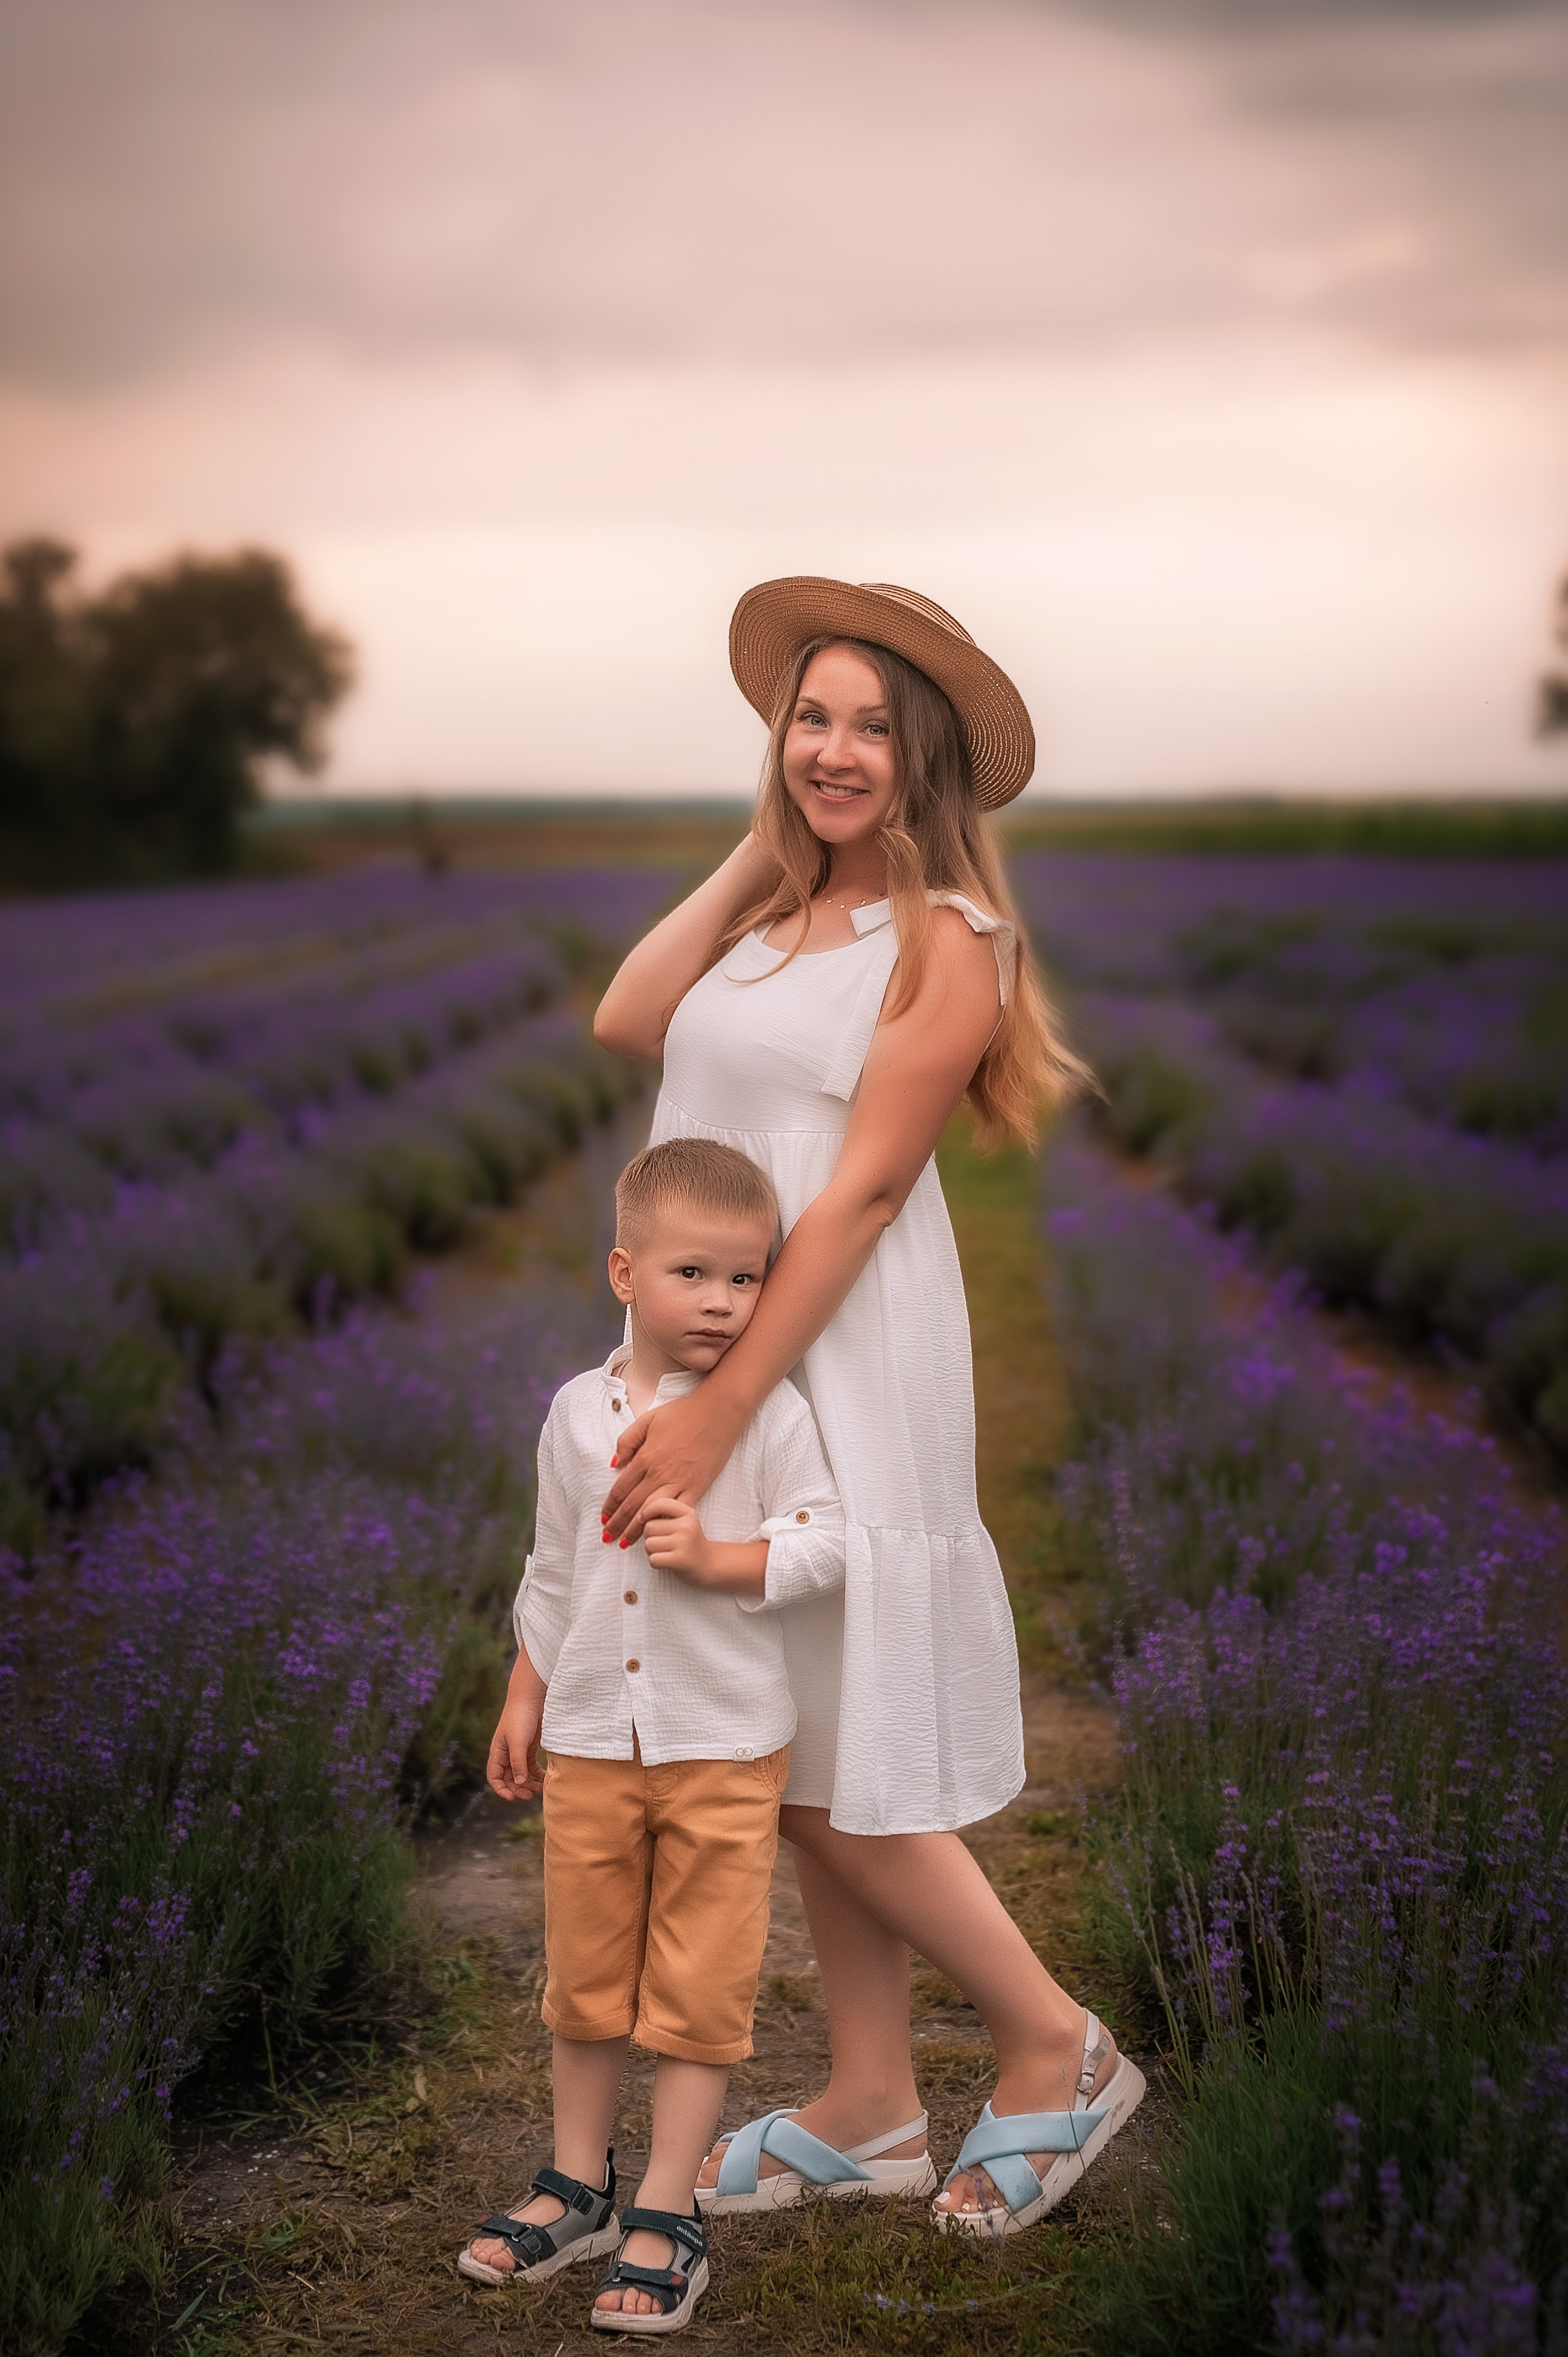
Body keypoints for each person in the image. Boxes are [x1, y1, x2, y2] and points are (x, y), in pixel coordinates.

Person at [592, 578, 1146, 2236]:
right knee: (783, 1740)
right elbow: (630, 1015)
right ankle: (868, 2101)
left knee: (840, 1765)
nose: (833, 752)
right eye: (808, 719)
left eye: (871, 734)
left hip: (832, 1357)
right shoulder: (765, 931)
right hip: (719, 1349)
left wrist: (713, 1412)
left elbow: (851, 1200)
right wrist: (774, 842)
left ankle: (1057, 2045)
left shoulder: (952, 946)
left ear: (929, 772)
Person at [458, 1138, 846, 2330]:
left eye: (748, 1278)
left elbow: (829, 1540)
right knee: (587, 1978)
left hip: (723, 1747)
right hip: (587, 1741)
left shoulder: (769, 1411)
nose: (727, 1302)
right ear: (623, 1270)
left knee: (696, 1983)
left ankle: (667, 2207)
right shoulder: (576, 1414)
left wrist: (720, 1558)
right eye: (696, 1273)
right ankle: (577, 2179)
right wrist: (526, 1692)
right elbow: (554, 1566)